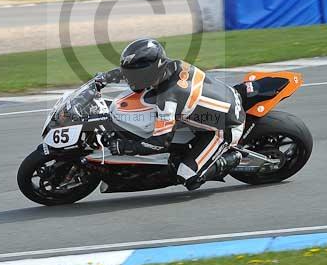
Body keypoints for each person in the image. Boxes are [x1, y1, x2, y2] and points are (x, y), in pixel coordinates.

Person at [95, 38, 245, 191]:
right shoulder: (172, 65)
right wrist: (107, 77)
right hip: (224, 98)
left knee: (187, 176)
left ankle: (234, 158)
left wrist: (124, 147)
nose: (129, 79)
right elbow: (137, 69)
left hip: (225, 127)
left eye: (133, 75)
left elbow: (160, 143)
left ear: (148, 72)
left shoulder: (168, 100)